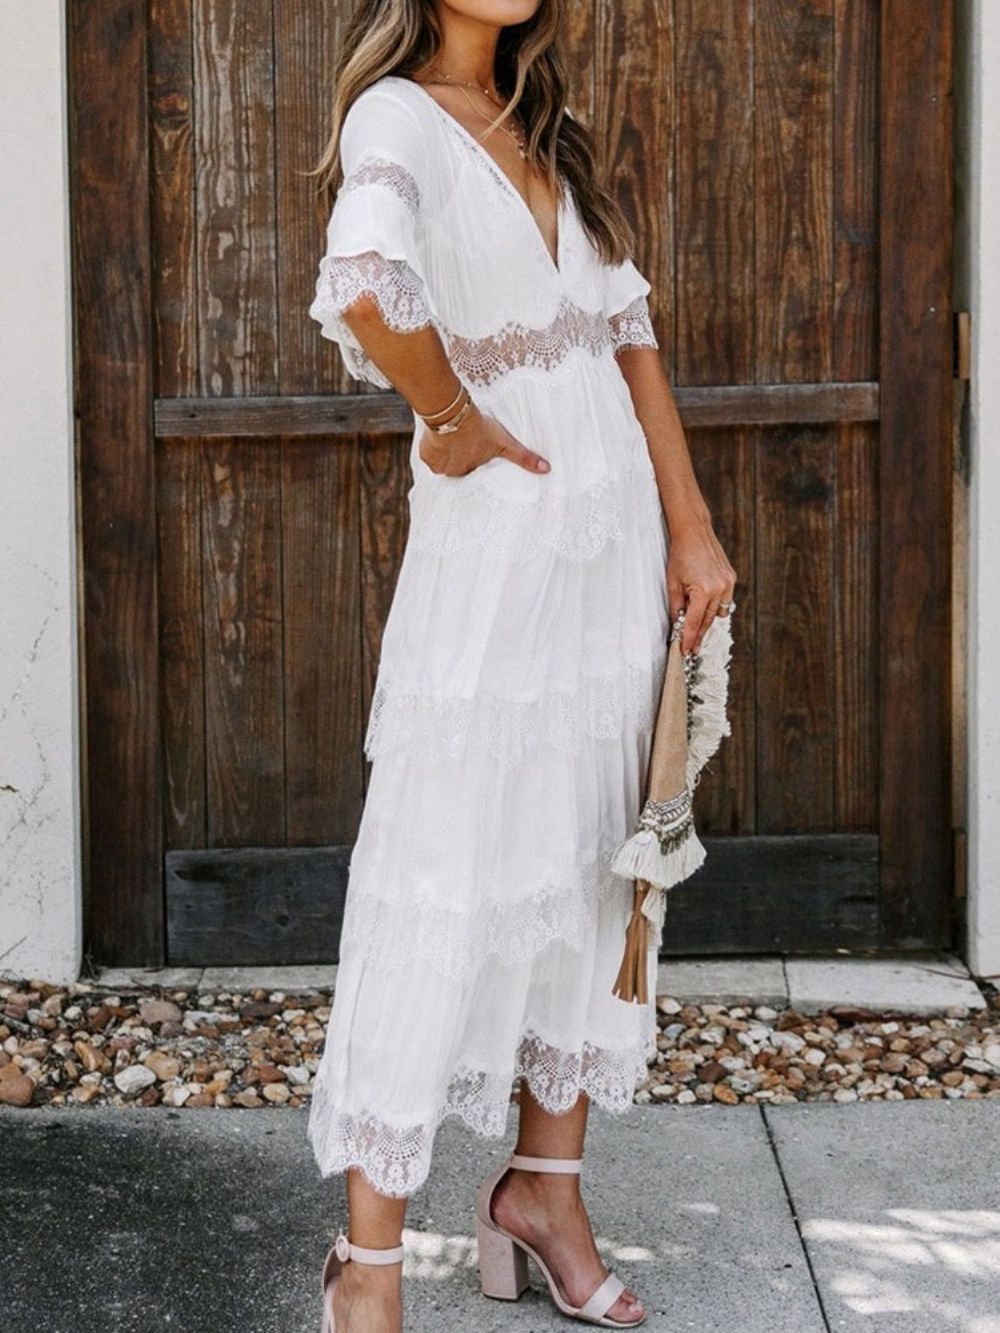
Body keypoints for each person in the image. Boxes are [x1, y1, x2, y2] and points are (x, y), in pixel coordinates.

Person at [306, 2, 737, 1329]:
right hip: (497, 568)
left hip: (610, 563)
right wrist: (447, 414)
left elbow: (628, 335)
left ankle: (544, 1190)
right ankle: (366, 1270)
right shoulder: (396, 118)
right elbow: (366, 286)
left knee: (588, 865)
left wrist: (691, 521)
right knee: (442, 866)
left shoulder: (548, 124)